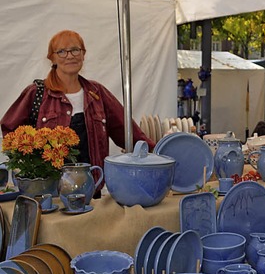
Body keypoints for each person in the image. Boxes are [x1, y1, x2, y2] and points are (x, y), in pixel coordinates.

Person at [1, 30, 154, 191]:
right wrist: (29, 166)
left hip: (92, 188)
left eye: (75, 50)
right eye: (61, 51)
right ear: (51, 58)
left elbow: (126, 131)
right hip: (50, 191)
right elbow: (10, 131)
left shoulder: (97, 93)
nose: (70, 56)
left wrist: (154, 151)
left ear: (83, 54)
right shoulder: (36, 93)